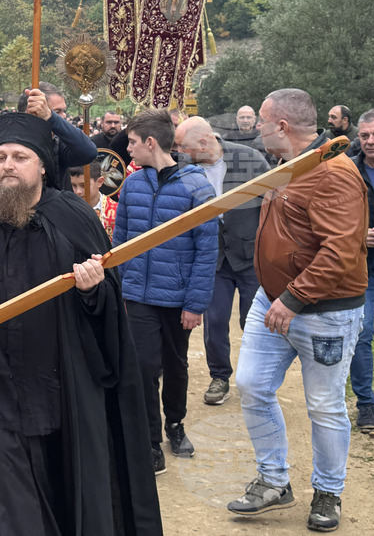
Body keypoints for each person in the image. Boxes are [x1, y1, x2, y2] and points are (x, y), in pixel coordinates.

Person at [0, 111, 162, 535]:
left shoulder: (73, 215)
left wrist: (93, 290)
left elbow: (107, 305)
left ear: (41, 165)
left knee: (60, 482)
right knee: (4, 486)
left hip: (58, 383)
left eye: (20, 156)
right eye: (1, 156)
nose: (8, 165)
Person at [227, 89, 366, 532]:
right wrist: (276, 295)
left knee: (324, 406)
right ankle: (273, 481)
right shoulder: (289, 166)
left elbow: (341, 250)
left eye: (263, 123)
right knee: (250, 384)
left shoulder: (333, 172)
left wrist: (293, 297)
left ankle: (328, 492)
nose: (257, 130)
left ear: (282, 127)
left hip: (323, 311)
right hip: (273, 300)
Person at [113, 109, 217, 475]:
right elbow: (121, 239)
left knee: (176, 366)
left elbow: (207, 252)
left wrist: (195, 303)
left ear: (151, 143)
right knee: (143, 369)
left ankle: (175, 423)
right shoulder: (133, 185)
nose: (128, 149)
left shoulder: (197, 187)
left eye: (132, 142)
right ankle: (150, 441)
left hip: (176, 300)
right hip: (139, 296)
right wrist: (123, 286)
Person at [175, 116, 270, 406]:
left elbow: (274, 201)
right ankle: (220, 376)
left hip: (250, 256)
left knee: (252, 321)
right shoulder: (184, 168)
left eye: (184, 146)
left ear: (204, 143)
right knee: (215, 320)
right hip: (213, 258)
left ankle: (259, 378)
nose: (179, 151)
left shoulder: (250, 159)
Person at [350, 108, 374, 434]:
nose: (371, 141)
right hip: (363, 269)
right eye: (365, 135)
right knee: (362, 333)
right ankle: (367, 404)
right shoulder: (348, 170)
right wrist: (360, 235)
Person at [68, 161, 117, 239]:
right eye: (74, 185)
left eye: (83, 185)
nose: (78, 191)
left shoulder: (116, 211)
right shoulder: (67, 209)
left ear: (99, 182)